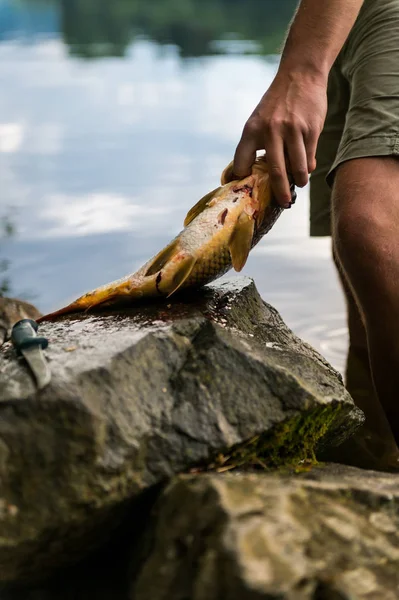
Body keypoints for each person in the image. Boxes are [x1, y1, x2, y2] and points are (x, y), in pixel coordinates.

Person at [233, 0, 399, 471]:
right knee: (367, 298)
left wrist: (301, 72)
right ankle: (377, 461)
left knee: (370, 231)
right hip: (337, 16)